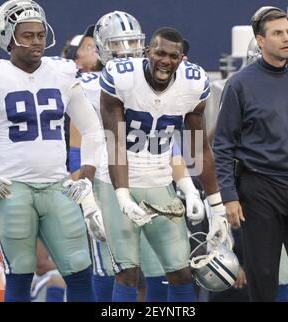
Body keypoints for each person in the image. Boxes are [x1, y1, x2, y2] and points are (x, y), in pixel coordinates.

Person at [100, 26, 229, 302]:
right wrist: (122, 195)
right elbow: (116, 143)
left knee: (180, 270)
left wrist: (214, 205)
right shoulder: (122, 77)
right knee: (128, 270)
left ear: (182, 59)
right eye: (159, 53)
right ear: (148, 51)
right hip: (117, 178)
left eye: (173, 56)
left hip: (159, 182)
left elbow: (198, 149)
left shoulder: (193, 84)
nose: (165, 60)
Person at [0, 0, 103, 302]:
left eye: (40, 35)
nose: (36, 42)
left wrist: (87, 177)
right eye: (27, 35)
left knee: (80, 269)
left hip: (57, 185)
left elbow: (94, 130)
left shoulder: (61, 72)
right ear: (8, 37)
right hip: (11, 188)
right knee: (19, 273)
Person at [213, 6, 288, 301]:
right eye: (277, 33)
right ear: (260, 41)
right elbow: (222, 144)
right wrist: (229, 195)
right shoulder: (239, 84)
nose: (286, 38)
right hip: (260, 190)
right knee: (262, 281)